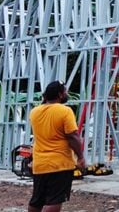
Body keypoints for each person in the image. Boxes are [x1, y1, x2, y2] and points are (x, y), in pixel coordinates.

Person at [28, 81, 86, 212]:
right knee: (55, 200)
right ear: (60, 94)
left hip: (40, 164)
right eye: (65, 91)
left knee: (37, 200)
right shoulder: (65, 111)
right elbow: (73, 136)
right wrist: (80, 157)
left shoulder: (34, 112)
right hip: (59, 164)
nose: (66, 94)